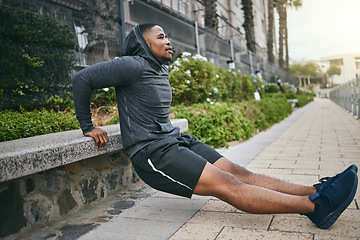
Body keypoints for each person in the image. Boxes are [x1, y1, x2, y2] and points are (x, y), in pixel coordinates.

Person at [72, 24, 358, 230]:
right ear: (144, 43)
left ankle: (311, 190)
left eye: (167, 36)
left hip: (174, 140)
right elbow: (82, 79)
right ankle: (317, 207)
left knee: (240, 172)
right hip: (153, 152)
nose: (168, 41)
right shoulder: (132, 64)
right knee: (228, 185)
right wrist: (88, 125)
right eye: (161, 37)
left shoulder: (157, 68)